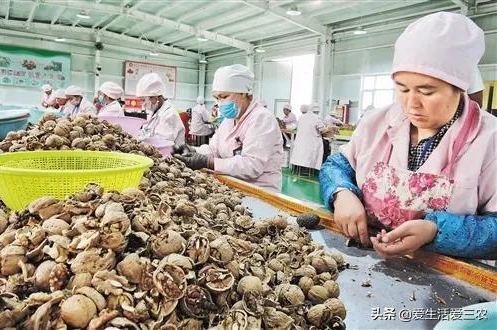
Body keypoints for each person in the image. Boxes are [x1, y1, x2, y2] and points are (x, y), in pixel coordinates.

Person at [319, 12, 496, 260]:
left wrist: (436, 230)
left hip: (441, 279)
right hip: (364, 259)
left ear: (459, 87)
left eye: (427, 91)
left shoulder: (489, 138)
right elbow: (338, 165)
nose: (411, 104)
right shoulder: (376, 123)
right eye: (402, 89)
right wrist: (341, 193)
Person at [174, 64, 284, 192]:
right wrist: (193, 151)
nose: (220, 103)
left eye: (224, 97)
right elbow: (214, 149)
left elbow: (251, 165)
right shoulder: (229, 120)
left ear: (243, 92)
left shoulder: (262, 119)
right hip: (232, 185)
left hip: (260, 190)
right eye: (216, 98)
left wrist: (208, 162)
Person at [136, 73, 185, 146]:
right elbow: (147, 132)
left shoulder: (169, 115)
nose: (143, 104)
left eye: (143, 100)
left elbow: (162, 143)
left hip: (167, 155)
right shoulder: (154, 111)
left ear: (154, 98)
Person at [290, 104, 325, 173]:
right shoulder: (316, 118)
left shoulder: (301, 117)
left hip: (301, 142)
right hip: (311, 142)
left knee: (301, 157)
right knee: (316, 152)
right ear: (317, 111)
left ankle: (299, 169)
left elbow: (296, 127)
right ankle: (312, 171)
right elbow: (322, 129)